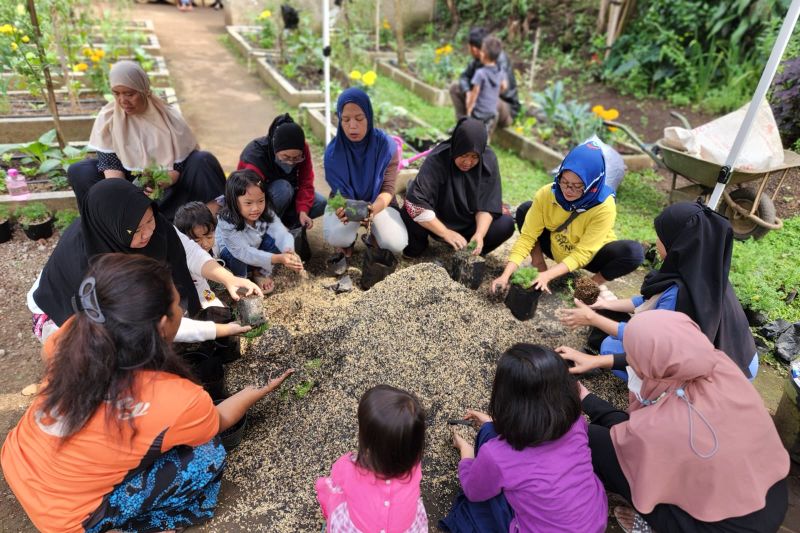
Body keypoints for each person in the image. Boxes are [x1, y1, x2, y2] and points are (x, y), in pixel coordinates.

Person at [3, 254, 294, 533]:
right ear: (163, 324)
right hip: (67, 519)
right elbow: (217, 420)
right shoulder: (174, 397)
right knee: (208, 455)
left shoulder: (72, 333)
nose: (181, 310)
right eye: (178, 305)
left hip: (19, 462)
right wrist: (259, 388)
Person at [579, 311, 789, 532]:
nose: (628, 358)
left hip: (726, 528)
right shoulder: (720, 365)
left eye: (629, 353)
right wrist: (588, 396)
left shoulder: (664, 425)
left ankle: (649, 524)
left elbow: (628, 445)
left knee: (593, 440)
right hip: (772, 499)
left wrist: (585, 400)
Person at [28, 179, 258, 344]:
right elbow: (146, 323)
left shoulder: (141, 221)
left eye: (150, 220)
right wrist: (217, 330)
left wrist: (228, 278)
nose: (148, 233)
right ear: (114, 230)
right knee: (108, 354)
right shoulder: (97, 268)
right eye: (136, 230)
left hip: (122, 304)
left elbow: (188, 251)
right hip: (62, 314)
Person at [557, 201, 759, 381]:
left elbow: (649, 340)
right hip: (744, 356)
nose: (656, 240)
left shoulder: (680, 294)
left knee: (610, 345)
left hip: (726, 376)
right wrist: (605, 304)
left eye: (661, 236)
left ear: (678, 244)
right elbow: (649, 300)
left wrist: (592, 319)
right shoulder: (703, 271)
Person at [441, 343, 607, 532]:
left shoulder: (497, 455)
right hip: (594, 521)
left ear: (504, 399)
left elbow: (473, 491)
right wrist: (491, 425)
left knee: (481, 506)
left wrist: (467, 454)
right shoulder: (576, 423)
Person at [70, 60, 225, 221]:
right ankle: (107, 224)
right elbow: (110, 165)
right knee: (80, 170)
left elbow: (178, 167)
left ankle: (204, 222)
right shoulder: (109, 117)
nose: (123, 100)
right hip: (129, 188)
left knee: (203, 160)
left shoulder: (168, 118)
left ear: (144, 91)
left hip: (168, 188)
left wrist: (158, 182)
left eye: (130, 94)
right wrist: (124, 194)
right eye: (117, 93)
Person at [491, 140, 643, 295]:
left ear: (593, 183)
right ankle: (538, 264)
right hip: (555, 246)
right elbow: (527, 237)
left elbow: (583, 254)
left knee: (633, 252)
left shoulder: (604, 206)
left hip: (591, 256)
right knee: (525, 209)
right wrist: (505, 276)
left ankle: (592, 284)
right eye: (564, 182)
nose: (569, 191)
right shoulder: (547, 193)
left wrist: (548, 276)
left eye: (578, 186)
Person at [316, 384, 428, 532]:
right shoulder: (414, 467)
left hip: (356, 529)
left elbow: (335, 479)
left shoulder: (349, 467)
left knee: (332, 493)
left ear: (368, 442)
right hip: (409, 529)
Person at [401, 118, 514, 257]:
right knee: (409, 209)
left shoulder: (488, 161)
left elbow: (487, 203)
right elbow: (416, 202)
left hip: (467, 222)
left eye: (474, 157)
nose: (468, 162)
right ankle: (418, 246)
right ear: (456, 147)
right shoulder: (439, 158)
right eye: (464, 155)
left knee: (505, 224)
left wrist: (479, 234)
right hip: (436, 219)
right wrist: (445, 232)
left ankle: (469, 252)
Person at [323, 88, 408, 256]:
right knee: (336, 236)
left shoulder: (386, 147)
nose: (352, 126)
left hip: (379, 203)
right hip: (344, 202)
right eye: (345, 120)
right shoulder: (333, 153)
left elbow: (388, 189)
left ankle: (374, 237)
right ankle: (347, 242)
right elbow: (337, 195)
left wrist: (373, 209)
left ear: (368, 117)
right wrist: (342, 208)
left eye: (359, 118)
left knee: (396, 243)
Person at [216, 170, 304, 293]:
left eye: (261, 201)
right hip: (234, 255)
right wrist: (278, 258)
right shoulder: (227, 221)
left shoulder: (264, 212)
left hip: (254, 247)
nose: (256, 208)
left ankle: (258, 272)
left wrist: (289, 250)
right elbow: (242, 252)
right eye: (248, 203)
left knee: (276, 239)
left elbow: (281, 233)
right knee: (236, 257)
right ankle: (241, 279)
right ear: (233, 202)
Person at [238, 113, 327, 230]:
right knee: (283, 188)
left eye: (296, 158)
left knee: (320, 203)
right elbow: (248, 195)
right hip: (259, 200)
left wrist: (303, 211)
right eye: (285, 157)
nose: (291, 162)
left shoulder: (302, 149)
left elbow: (306, 182)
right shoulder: (256, 156)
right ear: (275, 149)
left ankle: (289, 226)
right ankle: (264, 228)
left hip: (285, 198)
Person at [450, 27, 521, 129]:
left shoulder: (499, 61)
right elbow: (464, 77)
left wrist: (477, 93)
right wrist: (467, 91)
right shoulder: (479, 59)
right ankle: (463, 126)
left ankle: (482, 132)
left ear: (474, 48)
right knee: (455, 88)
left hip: (506, 108)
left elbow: (502, 89)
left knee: (488, 98)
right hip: (484, 100)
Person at [174, 201, 225, 309]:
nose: (205, 244)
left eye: (209, 237)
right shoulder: (189, 260)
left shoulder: (215, 241)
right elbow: (203, 291)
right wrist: (213, 302)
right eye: (197, 240)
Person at [466, 35, 506, 134]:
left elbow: (475, 93)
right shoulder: (500, 72)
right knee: (485, 133)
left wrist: (469, 109)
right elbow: (504, 86)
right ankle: (485, 143)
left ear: (483, 55)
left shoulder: (480, 73)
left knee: (472, 134)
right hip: (492, 112)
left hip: (479, 113)